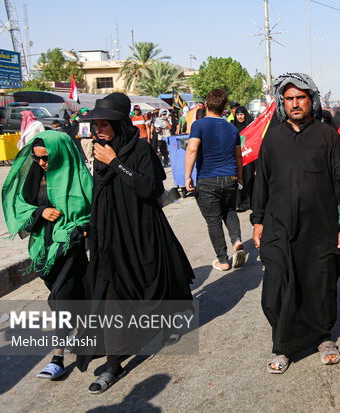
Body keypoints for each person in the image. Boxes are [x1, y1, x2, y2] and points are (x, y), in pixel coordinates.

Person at [78, 92, 195, 393]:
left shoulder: (139, 148)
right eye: (96, 125)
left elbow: (148, 188)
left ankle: (161, 324)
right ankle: (113, 364)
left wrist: (115, 162)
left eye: (105, 124)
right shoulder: (99, 151)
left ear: (120, 124)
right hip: (110, 238)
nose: (99, 130)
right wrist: (93, 227)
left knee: (150, 287)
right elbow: (101, 194)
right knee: (110, 298)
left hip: (142, 233)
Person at [251, 73, 340, 374]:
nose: (295, 103)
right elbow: (263, 182)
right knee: (276, 286)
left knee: (319, 283)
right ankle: (283, 344)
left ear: (311, 100)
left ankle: (323, 338)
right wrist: (257, 221)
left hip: (319, 228)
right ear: (281, 103)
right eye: (289, 99)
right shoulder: (272, 138)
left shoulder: (328, 137)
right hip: (278, 227)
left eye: (300, 97)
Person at [2, 131, 93, 380]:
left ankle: (57, 357)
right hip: (44, 249)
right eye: (37, 158)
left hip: (69, 247)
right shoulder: (36, 176)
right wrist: (41, 212)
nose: (41, 163)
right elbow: (22, 204)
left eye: (46, 158)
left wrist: (77, 228)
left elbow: (92, 212)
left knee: (61, 300)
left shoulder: (80, 178)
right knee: (70, 297)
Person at [184, 89, 247, 271]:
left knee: (213, 220)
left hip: (207, 178)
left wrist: (187, 176)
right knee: (229, 210)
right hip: (230, 177)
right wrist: (240, 178)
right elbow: (238, 156)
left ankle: (223, 260)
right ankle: (236, 240)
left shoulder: (199, 125)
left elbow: (192, 150)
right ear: (224, 107)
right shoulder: (232, 128)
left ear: (206, 104)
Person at [232, 105, 255, 212]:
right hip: (237, 158)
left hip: (249, 158)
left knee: (249, 178)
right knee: (239, 180)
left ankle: (249, 202)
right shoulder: (233, 126)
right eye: (238, 114)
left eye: (241, 114)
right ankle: (239, 203)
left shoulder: (251, 126)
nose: (240, 117)